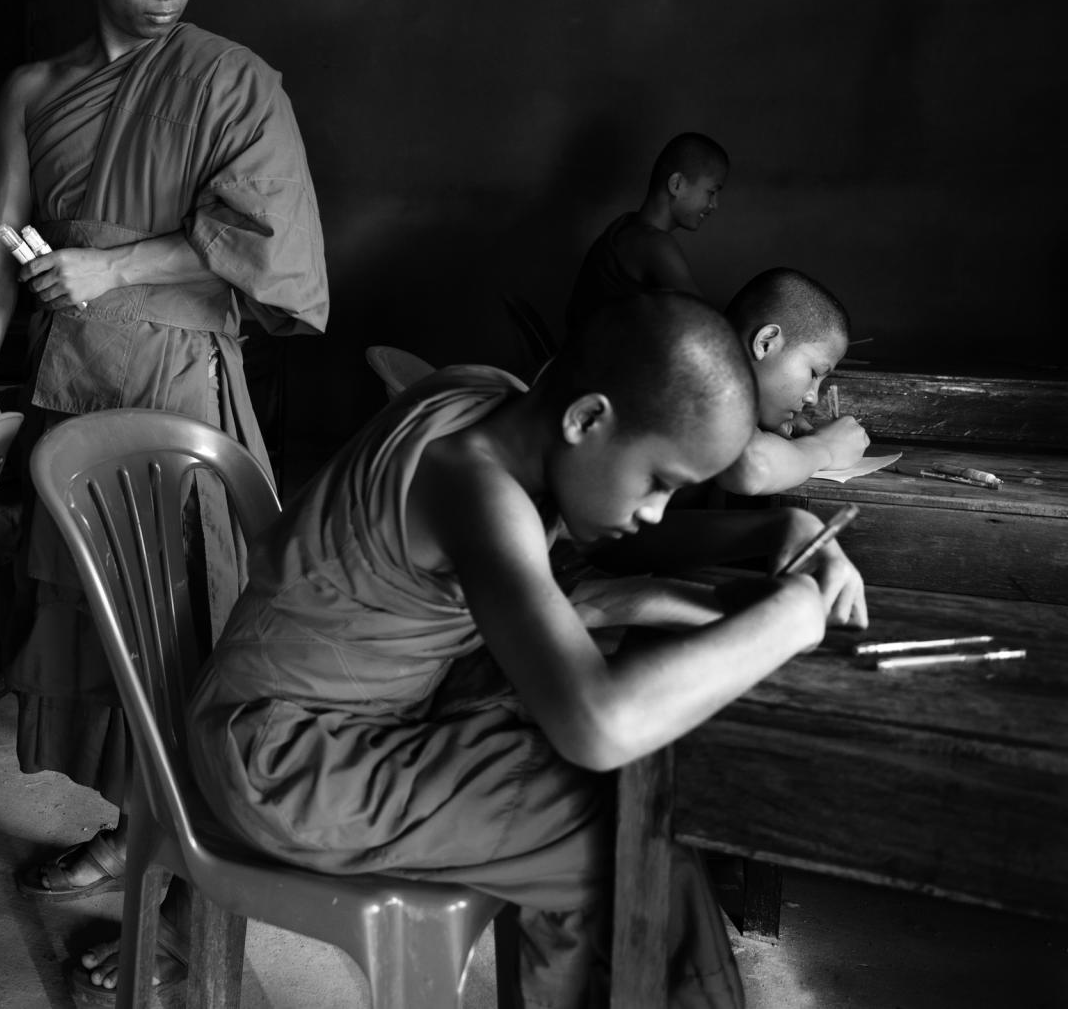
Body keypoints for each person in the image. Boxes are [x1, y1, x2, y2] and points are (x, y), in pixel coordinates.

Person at [188, 292, 867, 1008]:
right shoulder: (473, 482)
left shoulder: (501, 402)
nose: (655, 509)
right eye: (660, 483)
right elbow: (597, 723)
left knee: (635, 787)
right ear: (586, 418)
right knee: (625, 835)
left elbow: (612, 526)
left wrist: (778, 530)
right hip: (288, 757)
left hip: (323, 717)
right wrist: (792, 617)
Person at [0, 0, 329, 995]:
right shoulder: (34, 88)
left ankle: (184, 893)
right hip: (71, 393)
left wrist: (108, 263)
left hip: (177, 400)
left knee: (184, 639)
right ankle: (135, 832)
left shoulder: (231, 81)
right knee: (97, 639)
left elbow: (261, 241)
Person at [714, 267, 870, 495]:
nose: (813, 398)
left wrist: (763, 424)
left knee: (797, 525)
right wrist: (825, 448)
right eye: (814, 373)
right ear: (766, 342)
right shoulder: (702, 373)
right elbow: (752, 470)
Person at [565, 133, 728, 335]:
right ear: (677, 184)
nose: (714, 205)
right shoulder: (654, 244)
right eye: (712, 192)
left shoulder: (623, 228)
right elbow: (707, 324)